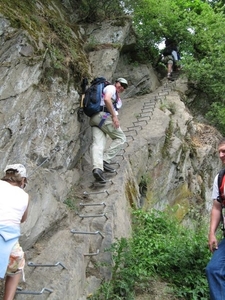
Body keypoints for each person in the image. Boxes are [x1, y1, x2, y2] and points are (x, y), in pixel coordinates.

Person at [90, 77, 128, 183]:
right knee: (121, 138)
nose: (122, 87)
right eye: (121, 84)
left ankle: (97, 169)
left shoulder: (116, 98)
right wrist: (114, 117)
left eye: (124, 87)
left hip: (95, 119)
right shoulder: (111, 88)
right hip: (103, 116)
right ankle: (105, 160)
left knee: (98, 144)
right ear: (116, 83)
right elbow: (106, 99)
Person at [0, 164, 29, 300]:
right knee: (17, 267)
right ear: (23, 180)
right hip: (8, 243)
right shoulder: (24, 195)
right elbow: (23, 219)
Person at [206, 138, 225, 299]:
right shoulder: (220, 178)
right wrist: (212, 233)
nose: (220, 155)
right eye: (219, 151)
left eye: (224, 151)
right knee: (214, 270)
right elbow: (217, 207)